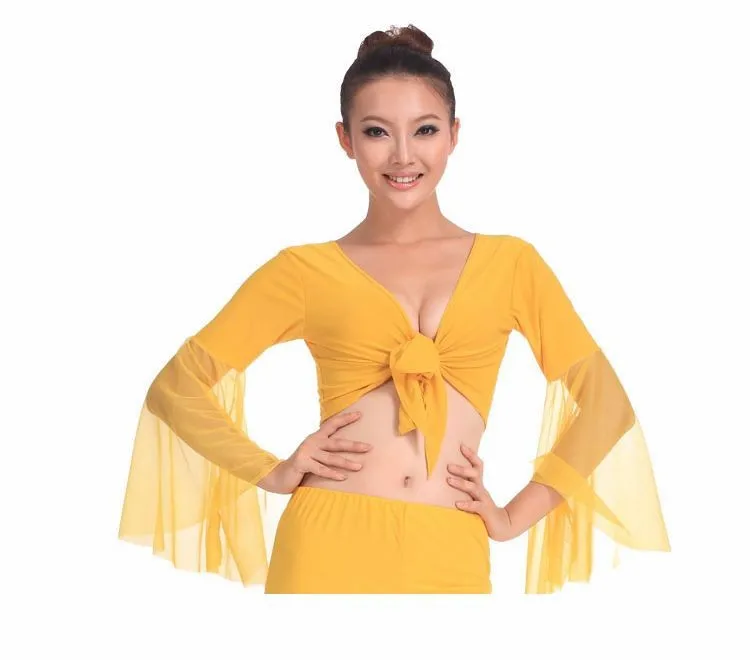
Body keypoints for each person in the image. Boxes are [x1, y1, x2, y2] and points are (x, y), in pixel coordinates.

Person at [118, 24, 670, 594]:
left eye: (425, 130)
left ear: (454, 134)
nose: (403, 156)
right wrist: (271, 471)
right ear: (345, 139)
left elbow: (605, 403)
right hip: (324, 542)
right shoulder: (302, 271)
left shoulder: (512, 264)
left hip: (449, 546)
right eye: (377, 131)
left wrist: (513, 518)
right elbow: (177, 387)